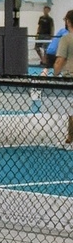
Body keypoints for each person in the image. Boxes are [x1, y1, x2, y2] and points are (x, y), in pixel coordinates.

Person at [51, 9, 73, 147]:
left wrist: (54, 74)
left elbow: (60, 61)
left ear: (68, 21)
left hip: (70, 78)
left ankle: (71, 135)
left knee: (72, 110)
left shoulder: (66, 39)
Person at [37, 5, 55, 72]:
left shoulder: (50, 19)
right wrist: (37, 33)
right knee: (37, 47)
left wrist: (52, 35)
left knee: (45, 49)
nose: (46, 11)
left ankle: (44, 62)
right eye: (45, 9)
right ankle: (42, 59)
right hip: (40, 34)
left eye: (47, 10)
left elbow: (52, 27)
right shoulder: (41, 18)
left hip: (47, 35)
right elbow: (39, 26)